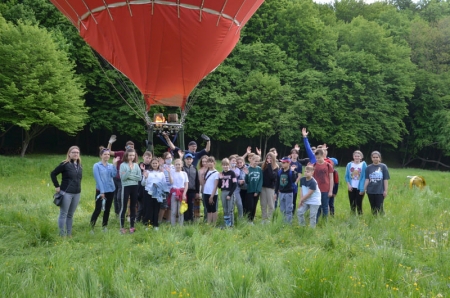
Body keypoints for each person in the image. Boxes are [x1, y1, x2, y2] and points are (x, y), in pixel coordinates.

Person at [50, 146, 83, 237]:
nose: (76, 154)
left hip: (77, 193)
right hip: (66, 193)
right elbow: (53, 174)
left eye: (77, 152)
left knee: (70, 215)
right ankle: (62, 234)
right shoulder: (64, 164)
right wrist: (57, 186)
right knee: (63, 214)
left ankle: (69, 234)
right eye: (73, 152)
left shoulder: (80, 165)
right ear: (69, 153)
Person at [90, 148, 120, 232]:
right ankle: (91, 227)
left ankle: (104, 226)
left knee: (107, 209)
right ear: (101, 155)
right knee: (98, 209)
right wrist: (102, 192)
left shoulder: (110, 165)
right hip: (101, 191)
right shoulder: (97, 165)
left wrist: (114, 165)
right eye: (105, 154)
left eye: (108, 154)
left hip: (111, 190)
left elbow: (113, 175)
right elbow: (98, 179)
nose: (107, 156)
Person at [108, 138, 138, 217]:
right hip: (115, 177)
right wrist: (110, 143)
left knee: (119, 197)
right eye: (129, 147)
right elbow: (108, 152)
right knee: (115, 196)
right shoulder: (121, 153)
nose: (130, 148)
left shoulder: (133, 156)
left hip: (123, 179)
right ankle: (117, 213)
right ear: (125, 147)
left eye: (132, 147)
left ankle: (122, 213)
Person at [141, 158, 170, 230]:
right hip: (148, 192)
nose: (154, 165)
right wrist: (145, 178)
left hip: (158, 193)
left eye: (156, 163)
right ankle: (148, 224)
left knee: (156, 208)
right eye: (153, 163)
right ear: (151, 164)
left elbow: (164, 183)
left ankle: (155, 225)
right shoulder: (147, 172)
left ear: (158, 164)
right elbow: (143, 184)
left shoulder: (161, 173)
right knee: (148, 209)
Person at [119, 148, 142, 234]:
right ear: (126, 156)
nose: (131, 157)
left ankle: (132, 226)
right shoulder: (122, 165)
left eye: (133, 155)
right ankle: (122, 227)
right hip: (126, 187)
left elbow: (139, 177)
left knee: (133, 207)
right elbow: (123, 178)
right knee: (124, 206)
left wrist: (129, 175)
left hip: (134, 187)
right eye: (130, 155)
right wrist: (129, 170)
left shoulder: (136, 165)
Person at [364, 151, 390, 215]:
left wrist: (385, 191)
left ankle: (382, 219)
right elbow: (367, 179)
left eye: (377, 157)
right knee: (373, 207)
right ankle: (374, 219)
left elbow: (385, 179)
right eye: (374, 157)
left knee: (380, 207)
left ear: (379, 158)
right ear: (371, 158)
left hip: (380, 191)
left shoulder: (383, 166)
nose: (375, 158)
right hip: (370, 190)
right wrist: (364, 189)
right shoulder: (368, 167)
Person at [313, 149, 334, 222]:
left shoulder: (328, 166)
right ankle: (316, 221)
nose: (317, 159)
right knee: (317, 206)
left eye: (319, 157)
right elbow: (312, 178)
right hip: (316, 190)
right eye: (316, 158)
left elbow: (331, 178)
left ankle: (325, 222)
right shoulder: (314, 165)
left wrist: (330, 191)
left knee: (325, 206)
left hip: (326, 189)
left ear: (323, 156)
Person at [275, 157, 296, 223]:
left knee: (288, 209)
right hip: (281, 193)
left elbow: (293, 180)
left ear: (288, 163)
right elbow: (277, 183)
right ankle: (283, 223)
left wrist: (293, 171)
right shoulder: (279, 172)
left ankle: (288, 224)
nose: (282, 164)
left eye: (284, 162)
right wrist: (276, 192)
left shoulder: (291, 172)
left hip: (289, 193)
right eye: (281, 162)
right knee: (282, 209)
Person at [345, 150, 367, 215]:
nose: (357, 157)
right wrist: (348, 185)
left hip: (360, 187)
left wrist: (363, 188)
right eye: (355, 156)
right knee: (352, 203)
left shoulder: (363, 165)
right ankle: (353, 216)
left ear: (361, 157)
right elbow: (346, 176)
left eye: (358, 156)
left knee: (359, 203)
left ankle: (360, 216)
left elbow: (365, 177)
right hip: (351, 187)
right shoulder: (349, 165)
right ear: (353, 157)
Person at [243, 153, 263, 223]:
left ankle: (251, 220)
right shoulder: (248, 169)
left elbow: (260, 180)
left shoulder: (259, 169)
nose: (256, 162)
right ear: (251, 160)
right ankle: (248, 219)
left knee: (254, 206)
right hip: (250, 190)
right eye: (255, 161)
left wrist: (257, 191)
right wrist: (246, 174)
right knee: (250, 206)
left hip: (257, 191)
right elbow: (247, 181)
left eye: (258, 161)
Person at [219, 158, 237, 227]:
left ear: (229, 165)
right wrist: (220, 179)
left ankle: (231, 225)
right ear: (222, 165)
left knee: (230, 210)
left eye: (226, 165)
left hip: (230, 192)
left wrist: (230, 194)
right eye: (224, 165)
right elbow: (219, 186)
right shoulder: (222, 173)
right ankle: (226, 224)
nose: (225, 166)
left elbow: (235, 184)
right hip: (223, 192)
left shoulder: (232, 173)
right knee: (225, 209)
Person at [260, 152, 278, 223]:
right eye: (268, 158)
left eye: (270, 158)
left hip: (270, 188)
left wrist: (270, 165)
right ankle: (264, 219)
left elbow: (272, 176)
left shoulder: (276, 167)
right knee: (263, 204)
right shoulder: (264, 166)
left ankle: (269, 220)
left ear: (273, 158)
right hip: (263, 187)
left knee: (271, 204)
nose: (269, 159)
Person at [170, 159, 189, 226]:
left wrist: (184, 194)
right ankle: (173, 226)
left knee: (180, 211)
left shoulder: (184, 173)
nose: (178, 166)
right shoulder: (172, 172)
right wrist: (169, 173)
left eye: (179, 164)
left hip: (181, 193)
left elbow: (186, 185)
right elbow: (171, 182)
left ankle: (181, 225)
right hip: (174, 193)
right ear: (174, 165)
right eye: (176, 164)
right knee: (173, 211)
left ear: (182, 165)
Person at [182, 153, 200, 223]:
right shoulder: (182, 168)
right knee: (184, 204)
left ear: (192, 160)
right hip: (184, 190)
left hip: (192, 190)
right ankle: (185, 219)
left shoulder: (194, 168)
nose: (189, 160)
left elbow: (197, 181)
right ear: (185, 160)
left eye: (190, 159)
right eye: (187, 159)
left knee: (191, 205)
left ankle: (191, 219)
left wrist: (197, 191)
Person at [136, 151, 153, 223]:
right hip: (140, 188)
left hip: (149, 188)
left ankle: (145, 219)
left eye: (150, 158)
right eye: (147, 158)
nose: (148, 159)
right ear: (143, 157)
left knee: (147, 205)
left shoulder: (152, 167)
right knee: (141, 206)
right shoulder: (139, 166)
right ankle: (137, 219)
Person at [203, 156, 220, 224]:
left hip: (213, 194)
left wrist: (212, 196)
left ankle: (214, 223)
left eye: (211, 162)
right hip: (205, 192)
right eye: (208, 162)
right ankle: (209, 223)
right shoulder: (206, 172)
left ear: (214, 163)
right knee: (208, 209)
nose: (210, 163)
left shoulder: (216, 173)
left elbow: (215, 186)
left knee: (214, 209)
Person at [159, 151, 175, 224]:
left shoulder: (174, 166)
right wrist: (160, 165)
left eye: (170, 157)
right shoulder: (162, 166)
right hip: (164, 189)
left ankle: (168, 220)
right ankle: (160, 220)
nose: (169, 159)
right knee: (163, 205)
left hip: (172, 188)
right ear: (164, 159)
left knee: (170, 206)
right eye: (167, 158)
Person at [289, 148, 302, 213]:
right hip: (287, 183)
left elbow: (299, 175)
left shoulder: (299, 165)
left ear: (297, 155)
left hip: (294, 184)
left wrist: (295, 183)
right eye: (293, 153)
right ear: (291, 154)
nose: (294, 155)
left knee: (293, 199)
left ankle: (292, 213)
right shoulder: (288, 162)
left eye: (296, 153)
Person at [230, 155, 244, 220]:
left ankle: (240, 219)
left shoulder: (238, 170)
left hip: (236, 190)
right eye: (233, 161)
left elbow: (238, 179)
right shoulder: (227, 168)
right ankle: (230, 219)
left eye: (235, 161)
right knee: (231, 206)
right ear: (229, 161)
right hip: (229, 190)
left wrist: (240, 181)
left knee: (239, 204)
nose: (234, 162)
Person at [198, 155, 209, 220]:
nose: (204, 163)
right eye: (203, 162)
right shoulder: (199, 171)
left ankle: (208, 219)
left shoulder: (210, 170)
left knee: (208, 205)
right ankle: (204, 219)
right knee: (204, 205)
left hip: (209, 190)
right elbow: (199, 182)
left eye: (206, 161)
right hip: (202, 190)